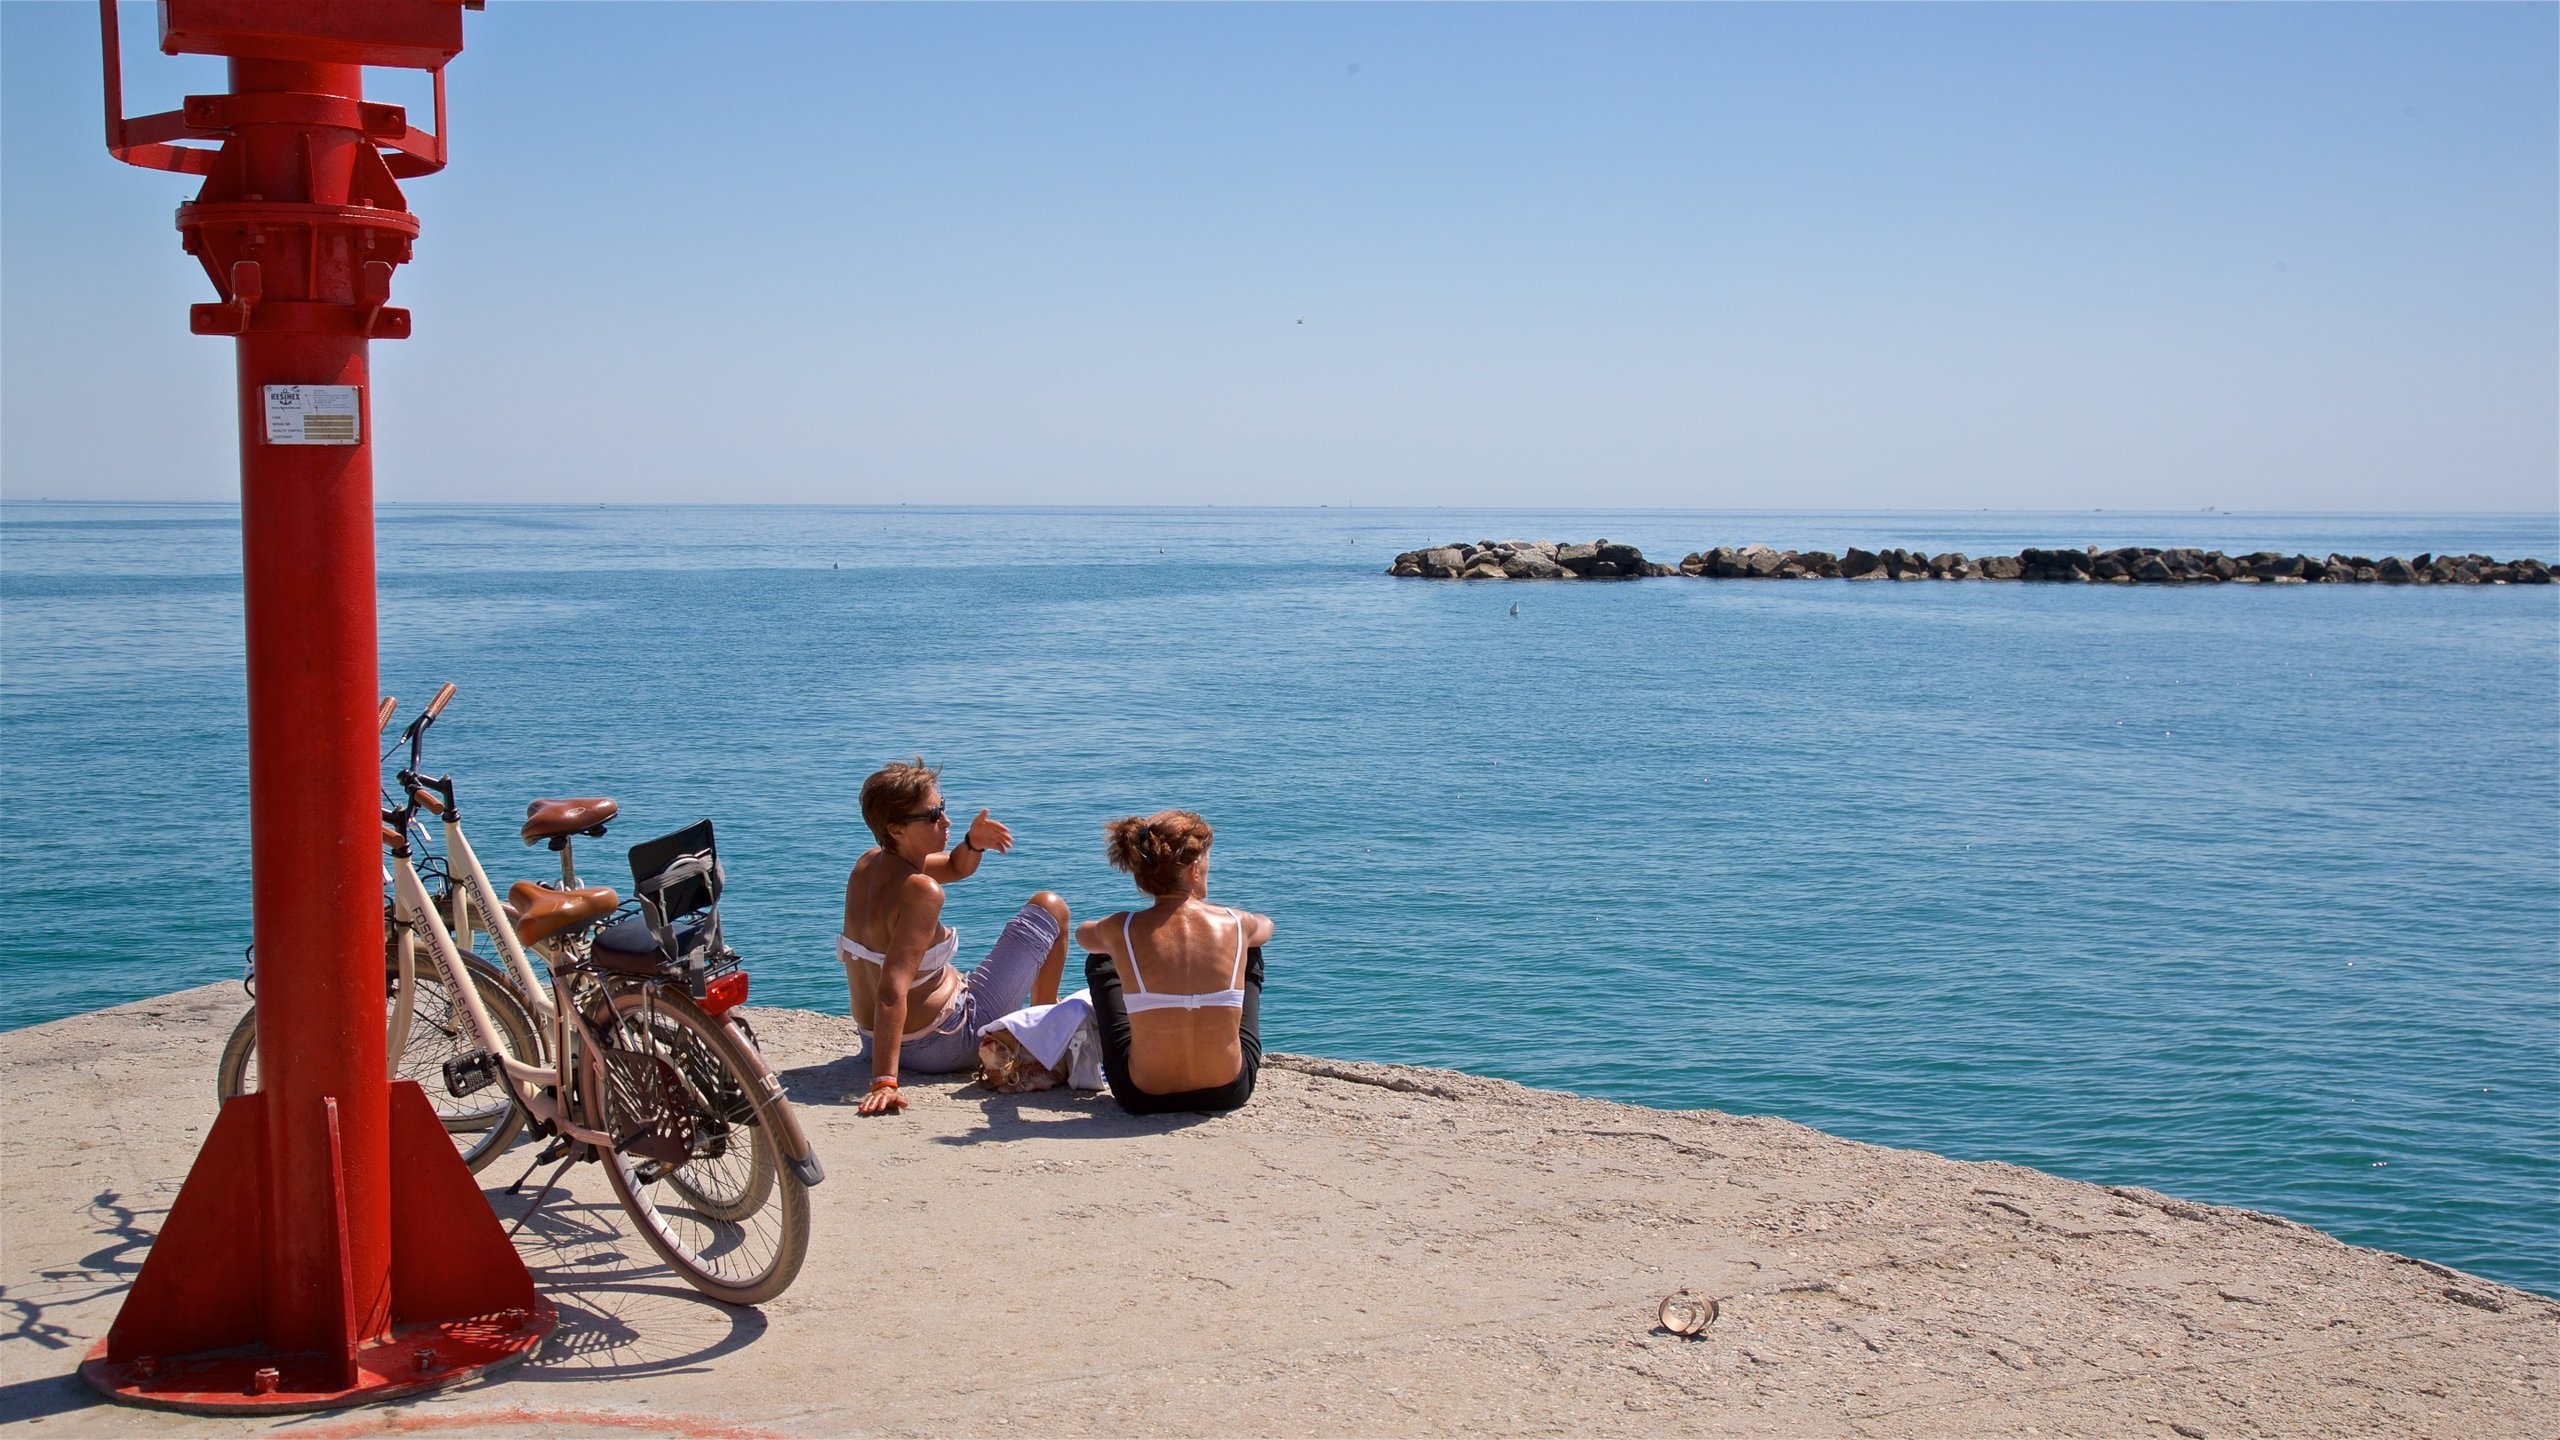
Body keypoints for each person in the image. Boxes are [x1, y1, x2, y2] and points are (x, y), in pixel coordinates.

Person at [841, 758, 1068, 1116]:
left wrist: (972, 843)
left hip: (876, 1039)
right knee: (1050, 906)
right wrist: (885, 1080)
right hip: (942, 1043)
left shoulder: (868, 865)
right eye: (932, 816)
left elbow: (956, 867)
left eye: (942, 808)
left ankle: (1034, 1023)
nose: (945, 820)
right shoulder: (921, 891)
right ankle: (1042, 1031)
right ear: (896, 829)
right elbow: (891, 987)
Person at [1075, 810, 1271, 1115]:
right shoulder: (1237, 922)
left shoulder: (1121, 928)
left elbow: (1082, 935)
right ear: (1193, 870)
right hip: (1230, 1090)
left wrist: (1123, 941)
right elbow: (1266, 927)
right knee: (1250, 948)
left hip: (1141, 1095)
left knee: (1102, 955)